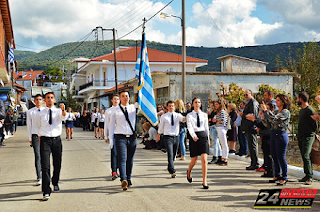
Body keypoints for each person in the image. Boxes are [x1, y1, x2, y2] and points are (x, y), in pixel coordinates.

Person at [35, 92, 67, 200]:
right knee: (45, 166)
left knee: (57, 164)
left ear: (54, 100)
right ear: (44, 100)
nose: (49, 99)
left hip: (56, 140)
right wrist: (39, 141)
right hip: (45, 140)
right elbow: (37, 128)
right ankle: (46, 190)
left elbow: (64, 117)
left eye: (51, 98)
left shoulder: (58, 111)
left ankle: (55, 182)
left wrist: (63, 110)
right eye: (47, 98)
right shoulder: (40, 113)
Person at [109, 91, 138, 191]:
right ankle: (123, 179)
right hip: (120, 137)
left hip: (132, 137)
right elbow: (112, 126)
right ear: (119, 98)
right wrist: (110, 140)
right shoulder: (115, 110)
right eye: (123, 96)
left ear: (129, 98)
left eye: (126, 96)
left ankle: (128, 178)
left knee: (130, 159)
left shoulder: (134, 108)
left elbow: (145, 110)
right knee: (122, 159)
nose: (125, 98)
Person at [261, 94, 291, 186]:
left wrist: (267, 111)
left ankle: (284, 177)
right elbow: (269, 122)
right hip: (273, 134)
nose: (276, 102)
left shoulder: (285, 112)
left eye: (278, 100)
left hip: (281, 135)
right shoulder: (277, 111)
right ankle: (277, 175)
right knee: (274, 155)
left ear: (283, 101)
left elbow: (275, 120)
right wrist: (264, 115)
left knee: (281, 156)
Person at [156, 100, 185, 178]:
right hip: (167, 137)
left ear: (175, 107)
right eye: (170, 106)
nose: (171, 107)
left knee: (174, 154)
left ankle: (169, 166)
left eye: (172, 106)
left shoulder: (177, 115)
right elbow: (161, 127)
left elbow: (183, 119)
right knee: (170, 153)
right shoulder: (164, 116)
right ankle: (172, 170)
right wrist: (158, 135)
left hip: (176, 137)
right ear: (167, 107)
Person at [186, 97, 210, 189]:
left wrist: (208, 138)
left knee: (204, 159)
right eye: (195, 102)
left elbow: (206, 127)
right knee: (194, 160)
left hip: (203, 136)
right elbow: (190, 127)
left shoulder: (204, 115)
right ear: (193, 104)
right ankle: (189, 172)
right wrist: (193, 136)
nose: (197, 104)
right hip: (194, 136)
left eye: (199, 102)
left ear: (200, 104)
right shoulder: (189, 115)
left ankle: (204, 181)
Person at [246, 103, 275, 178]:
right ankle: (268, 170)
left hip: (269, 137)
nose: (265, 111)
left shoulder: (271, 118)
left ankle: (270, 171)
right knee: (266, 154)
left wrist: (254, 119)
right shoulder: (265, 119)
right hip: (265, 136)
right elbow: (261, 124)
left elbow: (263, 125)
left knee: (269, 155)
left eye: (267, 109)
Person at [296, 92, 317, 185]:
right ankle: (306, 175)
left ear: (301, 99)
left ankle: (310, 176)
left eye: (297, 98)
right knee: (304, 156)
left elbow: (315, 125)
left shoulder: (310, 110)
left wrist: (314, 134)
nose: (296, 100)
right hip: (301, 136)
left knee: (306, 155)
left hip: (308, 136)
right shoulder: (301, 111)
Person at [27, 94, 44, 186]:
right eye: (36, 99)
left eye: (40, 99)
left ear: (43, 101)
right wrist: (30, 138)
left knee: (44, 156)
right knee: (37, 156)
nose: (38, 101)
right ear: (34, 101)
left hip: (45, 136)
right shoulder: (30, 112)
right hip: (35, 136)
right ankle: (39, 176)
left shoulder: (46, 111)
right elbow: (29, 125)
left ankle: (45, 175)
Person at [241, 89, 260, 170]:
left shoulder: (253, 103)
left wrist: (243, 115)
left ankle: (255, 163)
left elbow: (253, 115)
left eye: (247, 94)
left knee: (253, 146)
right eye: (244, 95)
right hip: (248, 127)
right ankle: (253, 162)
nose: (245, 96)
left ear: (251, 94)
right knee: (251, 146)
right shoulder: (249, 103)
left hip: (252, 127)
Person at [105, 94, 120, 181]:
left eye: (117, 99)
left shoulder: (121, 110)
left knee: (120, 153)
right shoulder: (108, 111)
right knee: (114, 152)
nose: (116, 100)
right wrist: (106, 136)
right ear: (112, 100)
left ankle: (119, 168)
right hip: (113, 134)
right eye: (114, 99)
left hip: (121, 133)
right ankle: (114, 171)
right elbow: (107, 124)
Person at [213, 99, 229, 165]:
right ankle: (223, 157)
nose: (216, 106)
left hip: (221, 128)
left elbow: (223, 121)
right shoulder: (218, 112)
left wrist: (216, 120)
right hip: (219, 128)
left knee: (224, 144)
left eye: (217, 104)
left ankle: (225, 159)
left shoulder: (222, 111)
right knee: (222, 144)